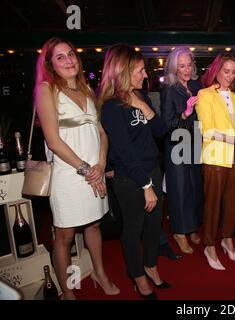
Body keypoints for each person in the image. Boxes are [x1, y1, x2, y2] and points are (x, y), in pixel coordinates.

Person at [34, 37, 119, 299]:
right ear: (50, 64)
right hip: (70, 175)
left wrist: (101, 164)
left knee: (94, 225)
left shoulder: (87, 90)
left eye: (71, 54)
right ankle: (67, 290)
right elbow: (53, 140)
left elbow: (102, 134)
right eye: (60, 57)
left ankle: (99, 273)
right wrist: (86, 170)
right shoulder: (46, 90)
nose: (69, 60)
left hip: (95, 171)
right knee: (65, 235)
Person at [99, 44, 168, 299]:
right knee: (133, 228)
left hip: (152, 168)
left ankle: (150, 264)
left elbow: (161, 131)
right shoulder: (110, 106)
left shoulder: (142, 96)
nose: (145, 75)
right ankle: (137, 275)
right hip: (130, 178)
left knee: (154, 224)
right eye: (139, 70)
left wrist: (144, 107)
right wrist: (146, 185)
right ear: (122, 71)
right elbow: (125, 152)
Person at [196, 54, 235, 270]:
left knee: (233, 203)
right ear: (216, 70)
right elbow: (207, 129)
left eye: (233, 72)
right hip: (216, 156)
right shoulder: (204, 94)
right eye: (225, 71)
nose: (229, 75)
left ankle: (227, 239)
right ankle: (209, 245)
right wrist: (233, 138)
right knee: (212, 203)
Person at [161, 47, 204, 253]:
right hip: (177, 146)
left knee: (195, 188)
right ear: (173, 68)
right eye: (182, 66)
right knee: (179, 191)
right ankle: (179, 232)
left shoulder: (197, 86)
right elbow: (167, 125)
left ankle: (192, 226)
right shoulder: (169, 90)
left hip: (195, 144)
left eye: (189, 65)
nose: (187, 70)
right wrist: (186, 113)